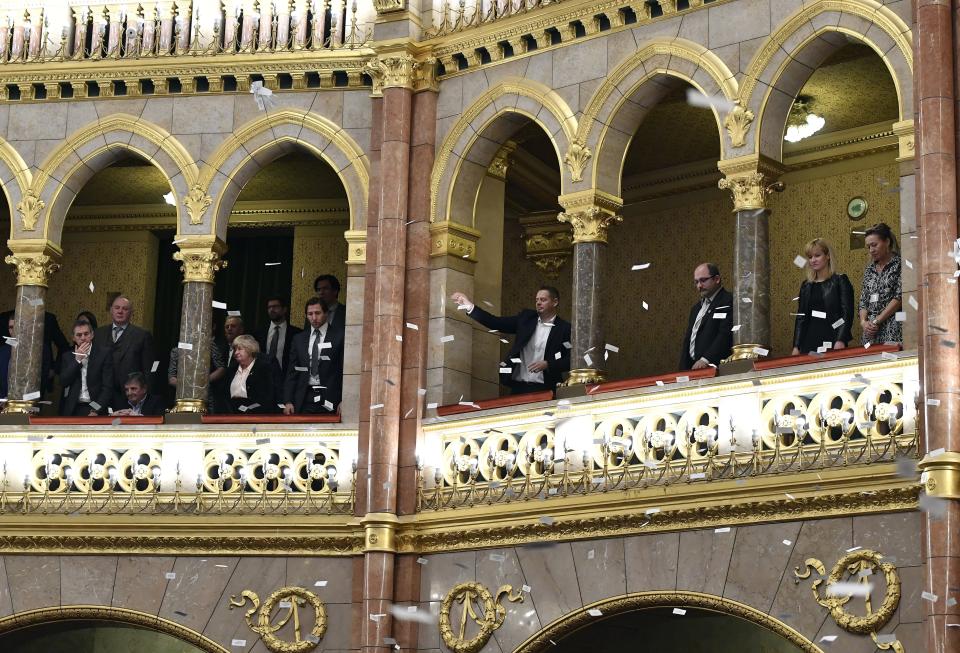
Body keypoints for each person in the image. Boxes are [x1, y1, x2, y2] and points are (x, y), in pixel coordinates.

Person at [451, 287, 571, 394]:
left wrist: (548, 364)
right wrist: (468, 305)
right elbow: (495, 323)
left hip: (547, 388)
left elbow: (570, 360)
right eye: (537, 300)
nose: (538, 303)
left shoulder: (564, 328)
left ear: (555, 302)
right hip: (519, 388)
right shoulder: (526, 319)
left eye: (543, 300)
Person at [791, 238, 854, 355]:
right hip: (809, 340)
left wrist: (840, 339)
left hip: (833, 337)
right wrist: (796, 346)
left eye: (817, 255)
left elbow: (847, 313)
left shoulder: (840, 281)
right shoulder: (806, 285)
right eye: (810, 257)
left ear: (828, 256)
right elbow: (801, 318)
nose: (813, 260)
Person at [285, 298, 344, 414]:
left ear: (326, 313)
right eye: (310, 314)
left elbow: (345, 371)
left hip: (331, 396)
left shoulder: (339, 336)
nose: (314, 318)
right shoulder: (299, 339)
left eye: (317, 313)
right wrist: (288, 401)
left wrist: (345, 400)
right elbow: (292, 372)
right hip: (304, 396)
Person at [94, 296, 156, 407]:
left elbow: (150, 368)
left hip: (130, 397)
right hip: (100, 396)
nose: (120, 311)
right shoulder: (98, 333)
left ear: (131, 312)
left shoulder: (142, 335)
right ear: (111, 310)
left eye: (125, 309)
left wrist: (145, 396)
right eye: (117, 308)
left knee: (122, 423)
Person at [679, 262, 733, 370]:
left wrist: (705, 359)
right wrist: (682, 371)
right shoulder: (696, 308)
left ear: (716, 279)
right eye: (696, 282)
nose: (699, 286)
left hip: (716, 368)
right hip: (692, 369)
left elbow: (725, 334)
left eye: (703, 280)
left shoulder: (728, 301)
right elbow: (688, 341)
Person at [859, 222, 903, 345]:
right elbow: (863, 301)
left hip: (892, 328)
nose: (871, 250)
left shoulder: (900, 265)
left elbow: (899, 297)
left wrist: (877, 321)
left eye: (874, 245)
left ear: (887, 242)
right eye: (868, 247)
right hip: (870, 333)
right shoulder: (869, 269)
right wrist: (863, 322)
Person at [60, 319, 114, 416]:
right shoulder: (67, 356)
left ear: (92, 335)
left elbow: (107, 387)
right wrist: (77, 361)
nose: (83, 338)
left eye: (86, 334)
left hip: (95, 406)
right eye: (79, 335)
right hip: (74, 407)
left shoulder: (104, 353)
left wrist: (96, 410)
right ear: (73, 338)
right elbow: (63, 382)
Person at [226, 335, 278, 414]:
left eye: (239, 349)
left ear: (250, 349)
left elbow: (267, 397)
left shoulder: (263, 368)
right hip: (231, 414)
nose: (236, 352)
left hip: (256, 415)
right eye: (235, 349)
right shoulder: (232, 368)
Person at [255, 296, 301, 378]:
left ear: (284, 309)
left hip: (286, 378)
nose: (272, 310)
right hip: (263, 377)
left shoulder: (296, 333)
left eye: (275, 307)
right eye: (269, 307)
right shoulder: (259, 332)